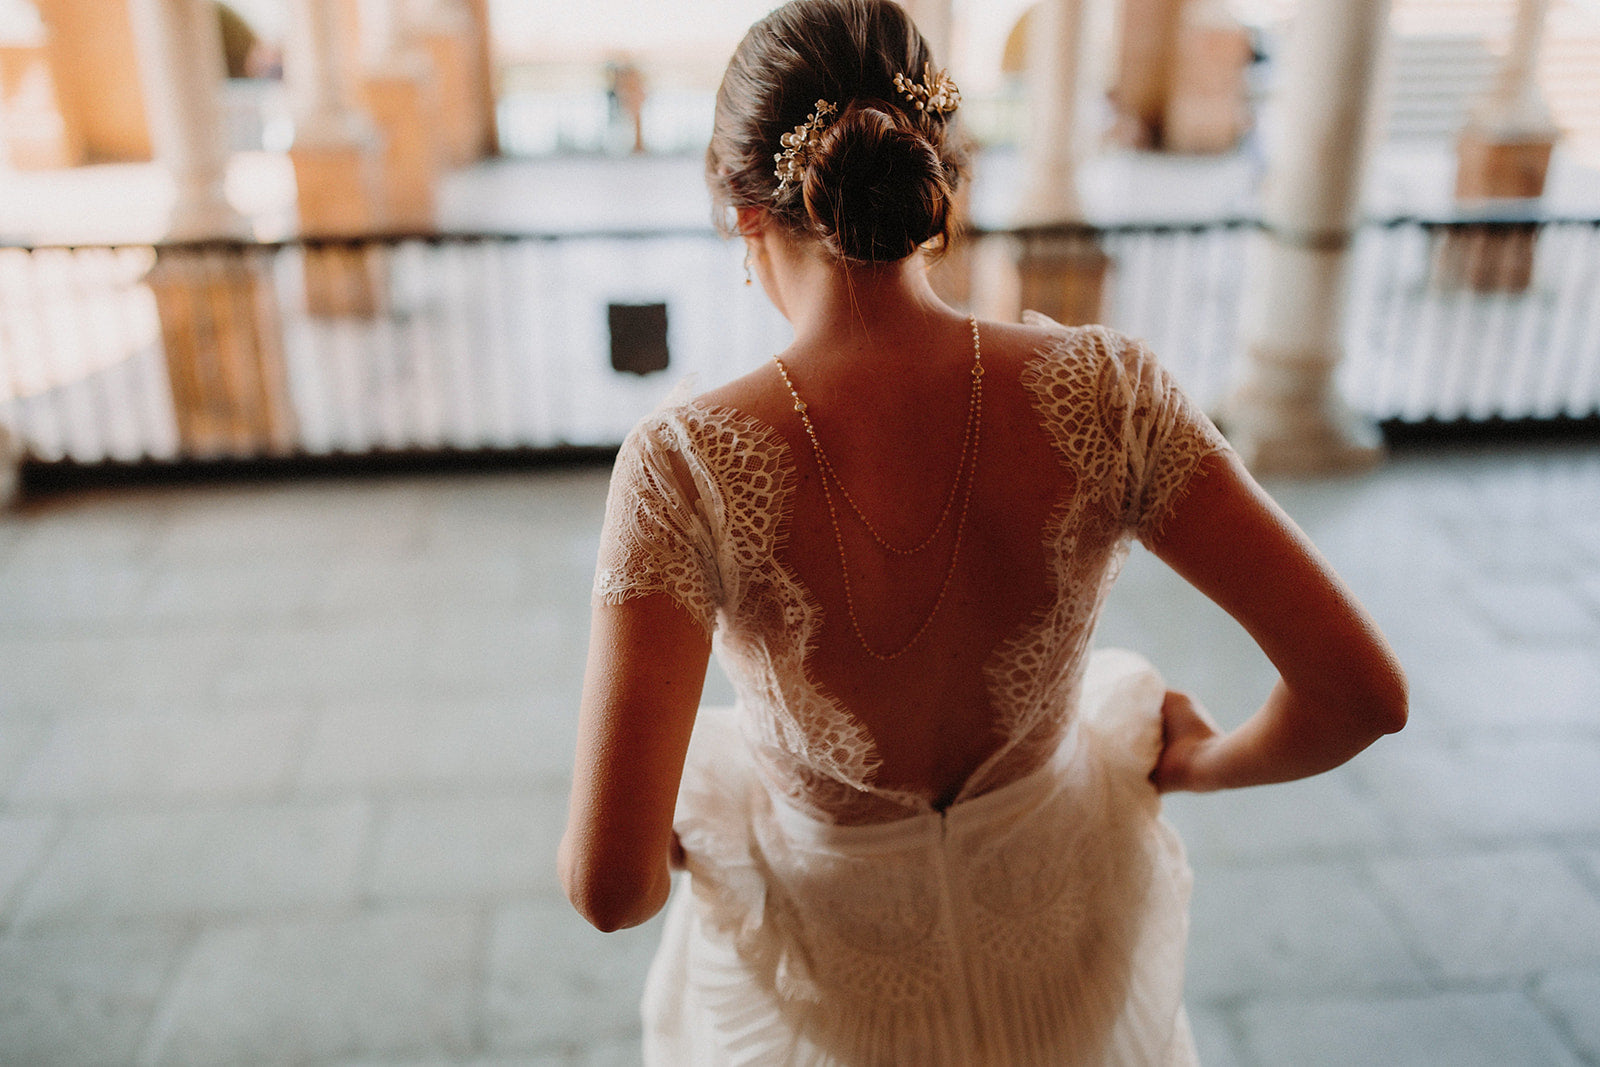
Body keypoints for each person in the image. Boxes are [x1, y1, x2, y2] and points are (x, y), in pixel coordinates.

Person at [559, 1, 1407, 1062]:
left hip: (829, 993)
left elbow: (609, 886)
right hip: (1064, 953)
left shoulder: (681, 464)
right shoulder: (1107, 392)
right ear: (938, 173)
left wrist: (699, 840)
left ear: (742, 212)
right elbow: (1361, 693)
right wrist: (1199, 764)